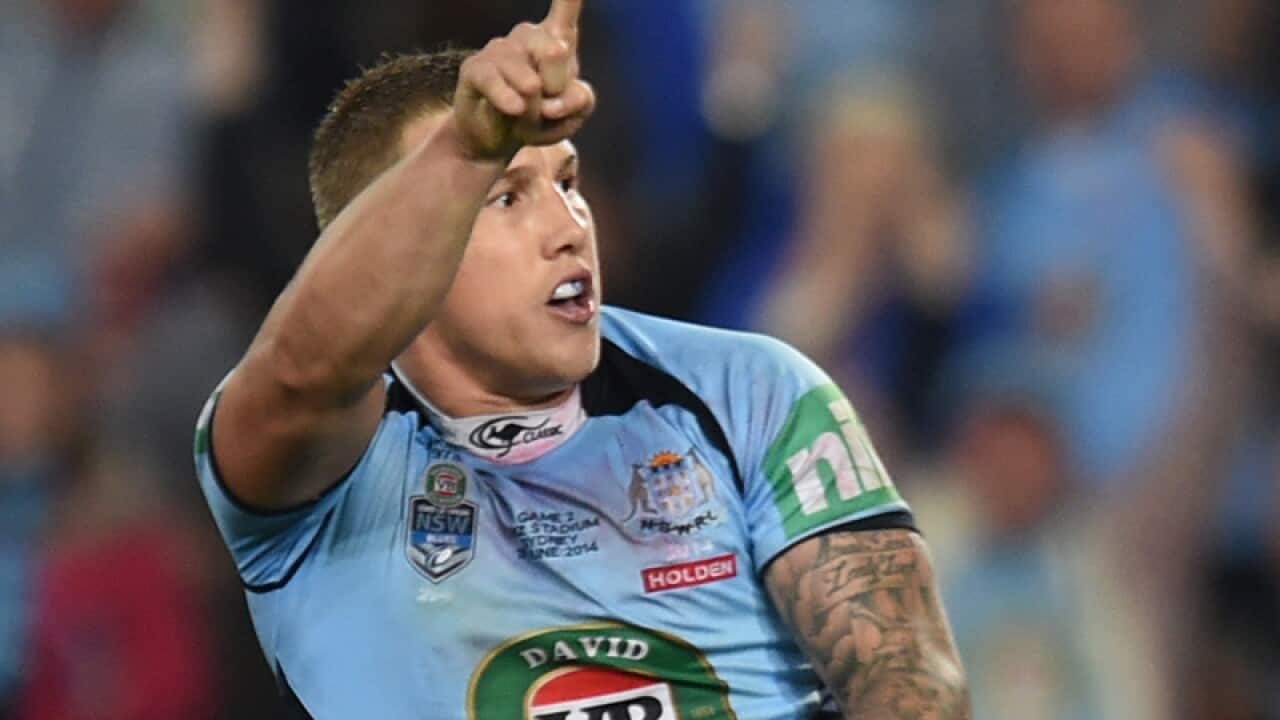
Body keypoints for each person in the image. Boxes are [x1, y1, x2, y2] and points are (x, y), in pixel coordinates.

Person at [193, 2, 969, 717]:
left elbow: (907, 673)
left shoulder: (750, 389)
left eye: (567, 181)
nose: (568, 227)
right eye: (505, 195)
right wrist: (465, 150)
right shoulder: (315, 469)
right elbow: (303, 369)